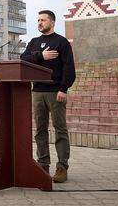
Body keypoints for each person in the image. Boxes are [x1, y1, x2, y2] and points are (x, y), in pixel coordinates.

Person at [20, 10, 75, 184]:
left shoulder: (61, 42)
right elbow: (23, 59)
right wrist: (40, 55)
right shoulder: (34, 42)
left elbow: (69, 68)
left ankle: (62, 167)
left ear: (52, 22)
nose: (39, 23)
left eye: (43, 20)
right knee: (40, 130)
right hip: (37, 91)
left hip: (55, 92)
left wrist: (63, 89)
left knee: (60, 129)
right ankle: (43, 165)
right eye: (38, 20)